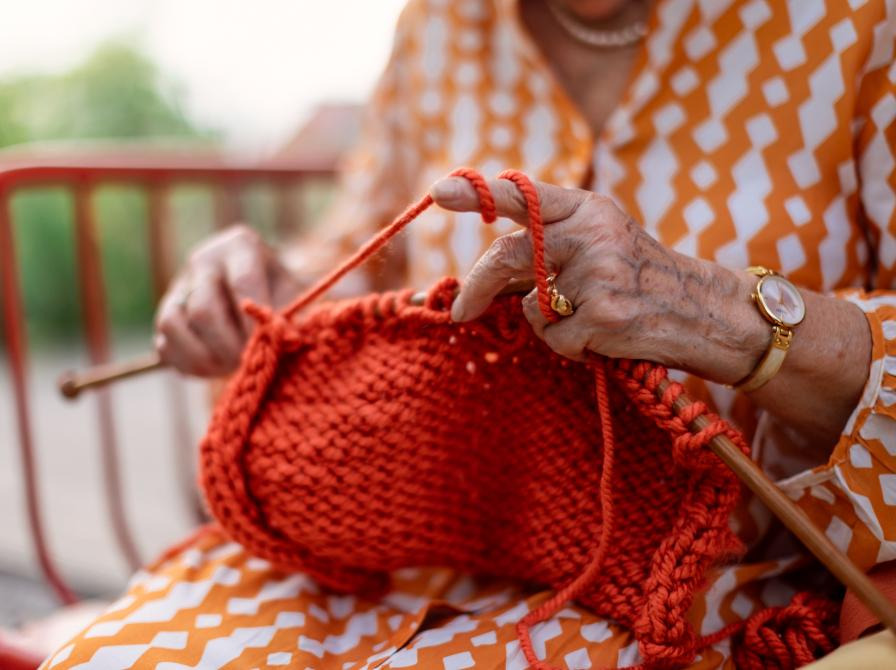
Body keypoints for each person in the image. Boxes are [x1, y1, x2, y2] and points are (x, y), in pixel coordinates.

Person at [42, 0, 896, 667]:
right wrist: (278, 291)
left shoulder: (857, 26)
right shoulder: (440, 28)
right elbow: (359, 257)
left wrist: (714, 311)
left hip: (710, 594)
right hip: (396, 549)